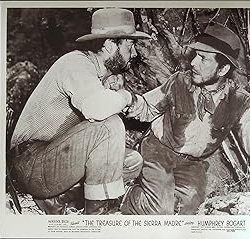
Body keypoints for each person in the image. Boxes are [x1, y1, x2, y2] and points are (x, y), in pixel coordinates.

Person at [119, 22, 250, 215]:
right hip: (159, 152)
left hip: (192, 164)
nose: (193, 63)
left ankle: (152, 196)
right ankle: (126, 195)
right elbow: (147, 107)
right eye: (196, 55)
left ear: (222, 69)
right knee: (160, 211)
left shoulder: (239, 101)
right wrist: (129, 101)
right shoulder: (179, 82)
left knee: (189, 209)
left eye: (203, 59)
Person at [9, 8, 150, 215]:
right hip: (31, 163)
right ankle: (96, 217)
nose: (135, 52)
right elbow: (97, 110)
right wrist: (128, 97)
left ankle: (56, 200)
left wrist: (113, 89)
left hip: (50, 158)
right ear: (111, 44)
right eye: (130, 45)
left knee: (131, 162)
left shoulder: (96, 71)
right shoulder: (75, 64)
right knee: (110, 127)